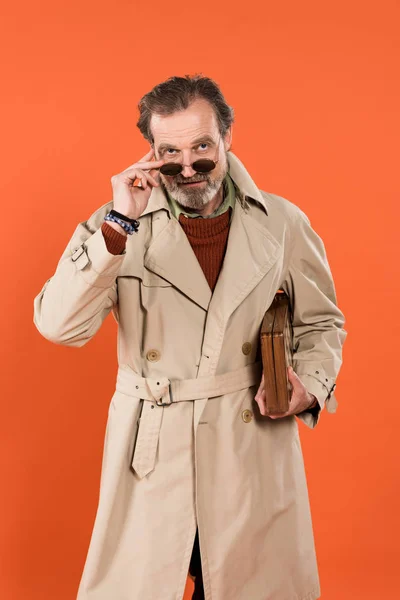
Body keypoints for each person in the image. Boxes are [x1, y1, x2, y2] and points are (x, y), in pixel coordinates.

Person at [33, 75, 347, 600]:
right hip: (154, 446)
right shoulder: (119, 225)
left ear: (227, 136)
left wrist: (309, 385)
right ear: (150, 154)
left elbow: (322, 323)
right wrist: (118, 225)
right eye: (170, 151)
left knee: (249, 585)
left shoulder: (283, 222)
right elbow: (58, 326)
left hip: (248, 441)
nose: (187, 166)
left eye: (202, 146)